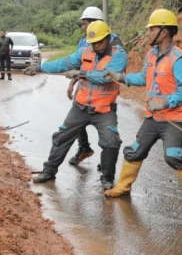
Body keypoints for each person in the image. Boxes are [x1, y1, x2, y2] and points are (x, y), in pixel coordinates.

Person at [104, 9, 182, 212]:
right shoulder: (151, 55)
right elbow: (143, 78)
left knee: (173, 156)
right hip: (153, 117)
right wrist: (120, 77)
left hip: (174, 118)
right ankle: (122, 187)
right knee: (134, 151)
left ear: (164, 32)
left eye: (152, 29)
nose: (148, 33)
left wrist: (166, 103)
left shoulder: (178, 59)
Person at [24, 20, 127, 190]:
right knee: (62, 137)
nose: (96, 46)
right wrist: (40, 68)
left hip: (104, 109)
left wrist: (81, 73)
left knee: (111, 142)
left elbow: (106, 76)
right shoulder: (84, 51)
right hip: (80, 107)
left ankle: (107, 178)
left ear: (108, 38)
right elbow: (63, 63)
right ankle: (49, 171)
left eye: (100, 42)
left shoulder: (119, 55)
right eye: (93, 43)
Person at [66, 6, 123, 167]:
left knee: (106, 126)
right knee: (76, 119)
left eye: (85, 23)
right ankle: (83, 147)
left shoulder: (113, 41)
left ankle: (106, 159)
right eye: (83, 24)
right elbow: (81, 66)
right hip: (85, 87)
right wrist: (72, 83)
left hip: (104, 91)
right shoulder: (83, 42)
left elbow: (115, 67)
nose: (83, 27)